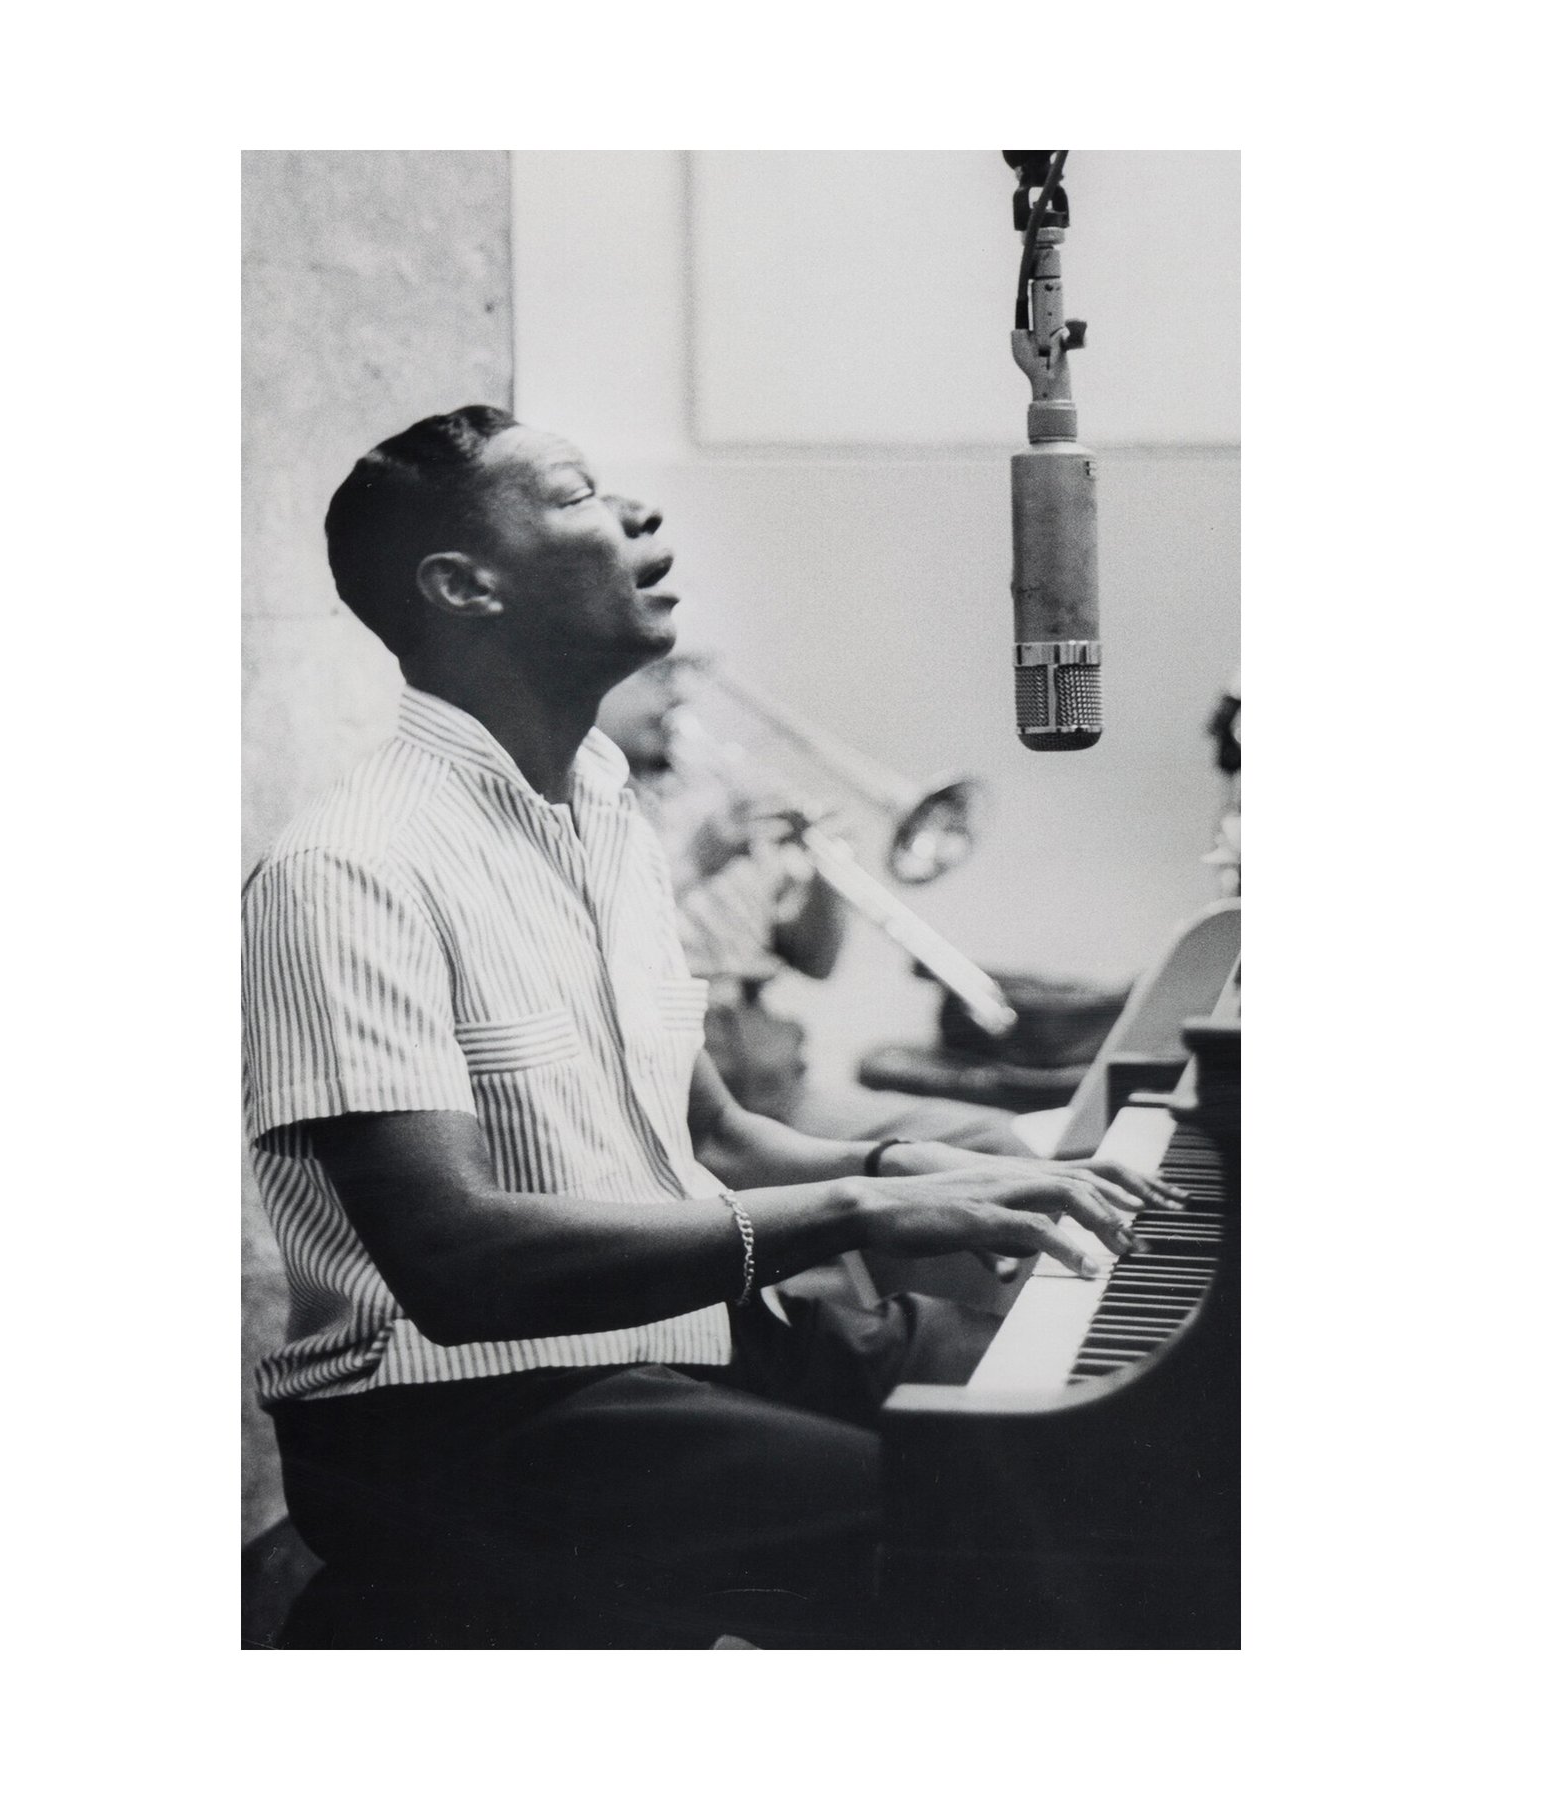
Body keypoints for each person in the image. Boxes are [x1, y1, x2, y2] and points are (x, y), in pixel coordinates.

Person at [242, 403, 1186, 1648]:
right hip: (461, 1417)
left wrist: (907, 1167)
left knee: (1101, 1419)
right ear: (463, 585)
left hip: (677, 1338)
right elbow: (455, 1265)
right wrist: (853, 1213)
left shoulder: (604, 818)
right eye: (578, 494)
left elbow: (718, 1138)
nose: (640, 513)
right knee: (1002, 1529)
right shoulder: (347, 869)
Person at [597, 660, 1041, 1156]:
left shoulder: (711, 793)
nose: (676, 700)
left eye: (675, 680)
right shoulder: (583, 806)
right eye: (652, 677)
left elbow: (816, 962)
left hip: (771, 1072)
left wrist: (825, 878)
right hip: (673, 1089)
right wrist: (699, 860)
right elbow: (595, 931)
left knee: (996, 1143)